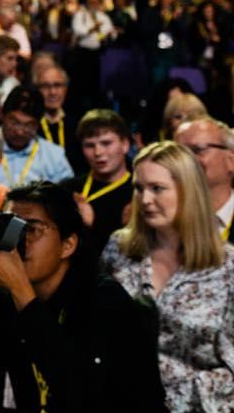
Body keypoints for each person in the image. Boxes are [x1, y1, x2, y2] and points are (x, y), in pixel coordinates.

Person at [0, 182, 165, 411]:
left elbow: (81, 393)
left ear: (67, 245)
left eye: (31, 229)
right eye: (8, 226)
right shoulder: (5, 301)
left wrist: (21, 290)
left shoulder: (104, 300)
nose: (18, 240)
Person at [102, 141, 234, 412]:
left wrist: (171, 397)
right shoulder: (119, 248)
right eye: (139, 189)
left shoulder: (228, 265)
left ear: (188, 192)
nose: (145, 200)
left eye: (157, 189)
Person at [62, 109, 135, 256]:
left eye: (106, 143)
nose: (98, 152)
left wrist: (91, 225)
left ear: (125, 144)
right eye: (90, 145)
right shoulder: (68, 189)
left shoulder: (138, 191)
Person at [0, 86, 74, 189]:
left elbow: (67, 197)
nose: (19, 132)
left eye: (29, 125)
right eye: (14, 122)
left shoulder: (54, 156)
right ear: (2, 115)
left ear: (38, 124)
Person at [173, 116, 234, 241]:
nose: (186, 160)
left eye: (198, 149)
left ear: (231, 161)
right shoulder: (165, 222)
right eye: (179, 153)